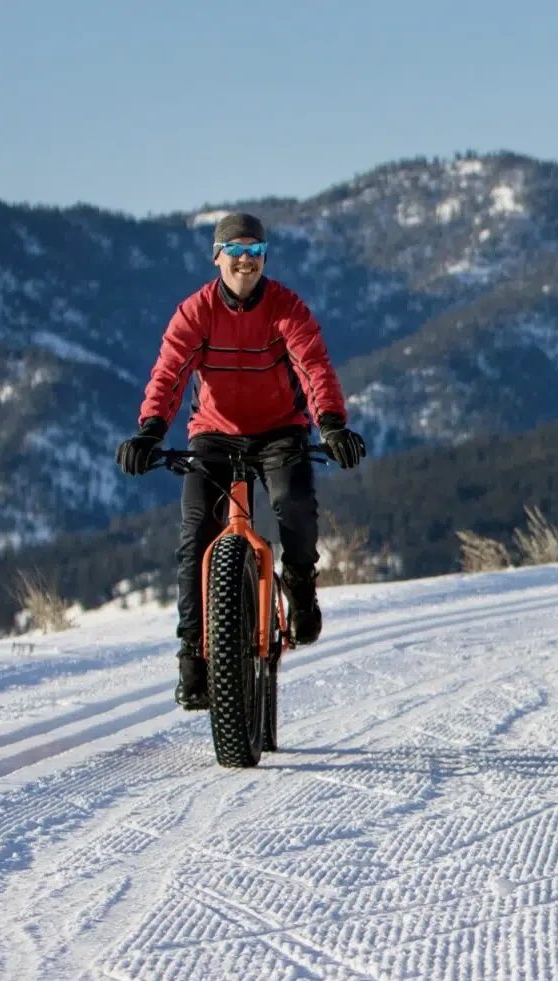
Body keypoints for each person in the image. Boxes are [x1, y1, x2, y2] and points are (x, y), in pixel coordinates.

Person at [115, 212, 366, 711]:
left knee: (293, 502)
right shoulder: (196, 312)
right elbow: (169, 373)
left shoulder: (285, 307)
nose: (245, 261)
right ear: (217, 258)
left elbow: (312, 365)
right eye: (235, 252)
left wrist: (331, 424)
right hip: (213, 435)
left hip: (279, 430)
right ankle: (192, 654)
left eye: (255, 252)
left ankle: (298, 584)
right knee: (195, 538)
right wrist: (149, 431)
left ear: (265, 258)